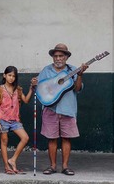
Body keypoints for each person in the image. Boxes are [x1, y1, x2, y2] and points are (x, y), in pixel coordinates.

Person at [37, 43, 88, 176]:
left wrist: (80, 74)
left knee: (67, 138)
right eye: (56, 56)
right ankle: (52, 166)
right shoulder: (46, 70)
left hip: (68, 108)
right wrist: (34, 84)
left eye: (61, 56)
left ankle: (65, 166)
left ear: (66, 57)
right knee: (52, 138)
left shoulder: (73, 70)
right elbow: (40, 88)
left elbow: (77, 89)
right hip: (50, 109)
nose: (58, 59)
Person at [0, 66, 37, 175]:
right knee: (4, 141)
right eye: (9, 75)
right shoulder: (0, 89)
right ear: (4, 75)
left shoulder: (18, 89)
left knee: (25, 138)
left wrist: (31, 89)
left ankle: (12, 160)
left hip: (15, 120)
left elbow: (26, 100)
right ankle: (6, 167)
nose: (11, 78)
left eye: (13, 76)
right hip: (2, 119)